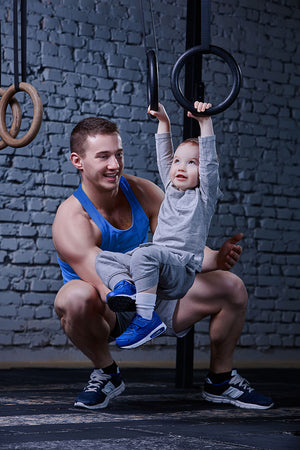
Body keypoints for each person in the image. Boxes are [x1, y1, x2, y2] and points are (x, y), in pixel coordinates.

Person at [52, 104, 274, 411]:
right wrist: (142, 305)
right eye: (103, 156)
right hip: (108, 306)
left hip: (153, 289)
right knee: (73, 297)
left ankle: (220, 380)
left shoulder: (142, 191)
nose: (114, 164)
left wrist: (215, 259)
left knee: (231, 286)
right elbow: (101, 280)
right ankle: (106, 373)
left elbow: (179, 245)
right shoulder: (71, 217)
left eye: (118, 154)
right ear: (78, 161)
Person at [95, 101, 221, 350]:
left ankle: (145, 319)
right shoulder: (171, 188)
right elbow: (164, 155)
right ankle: (126, 288)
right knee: (103, 259)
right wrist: (164, 122)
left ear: (203, 171)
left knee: (145, 252)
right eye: (177, 162)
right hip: (156, 263)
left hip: (180, 270)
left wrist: (205, 123)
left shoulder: (204, 196)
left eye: (192, 163)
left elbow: (209, 165)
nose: (181, 167)